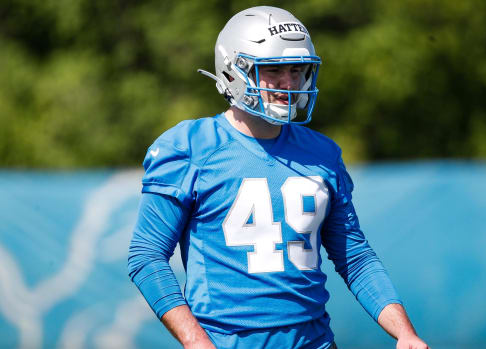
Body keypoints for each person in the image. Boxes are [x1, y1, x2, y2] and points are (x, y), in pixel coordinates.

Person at [128, 6, 429, 349]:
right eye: (273, 70)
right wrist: (196, 342)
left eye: (297, 70)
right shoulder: (190, 147)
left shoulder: (322, 154)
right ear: (233, 72)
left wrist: (405, 333)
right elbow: (146, 256)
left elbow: (355, 257)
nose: (289, 84)